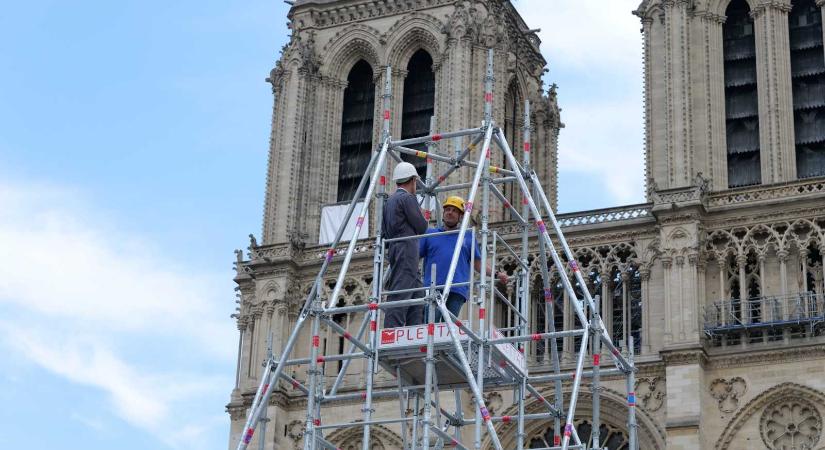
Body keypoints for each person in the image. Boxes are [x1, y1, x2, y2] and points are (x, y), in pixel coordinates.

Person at [419, 196, 508, 322]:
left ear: (461, 216)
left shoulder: (467, 237)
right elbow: (414, 256)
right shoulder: (431, 234)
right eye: (447, 209)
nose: (450, 212)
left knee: (448, 330)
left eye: (454, 210)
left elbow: (478, 265)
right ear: (443, 213)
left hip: (457, 289)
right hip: (433, 288)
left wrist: (496, 274)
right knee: (430, 326)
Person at [382, 162, 429, 328]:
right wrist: (423, 216)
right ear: (413, 180)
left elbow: (383, 231)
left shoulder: (389, 201)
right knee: (401, 291)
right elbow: (422, 227)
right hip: (407, 247)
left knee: (417, 292)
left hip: (396, 247)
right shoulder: (408, 198)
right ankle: (391, 330)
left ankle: (413, 329)